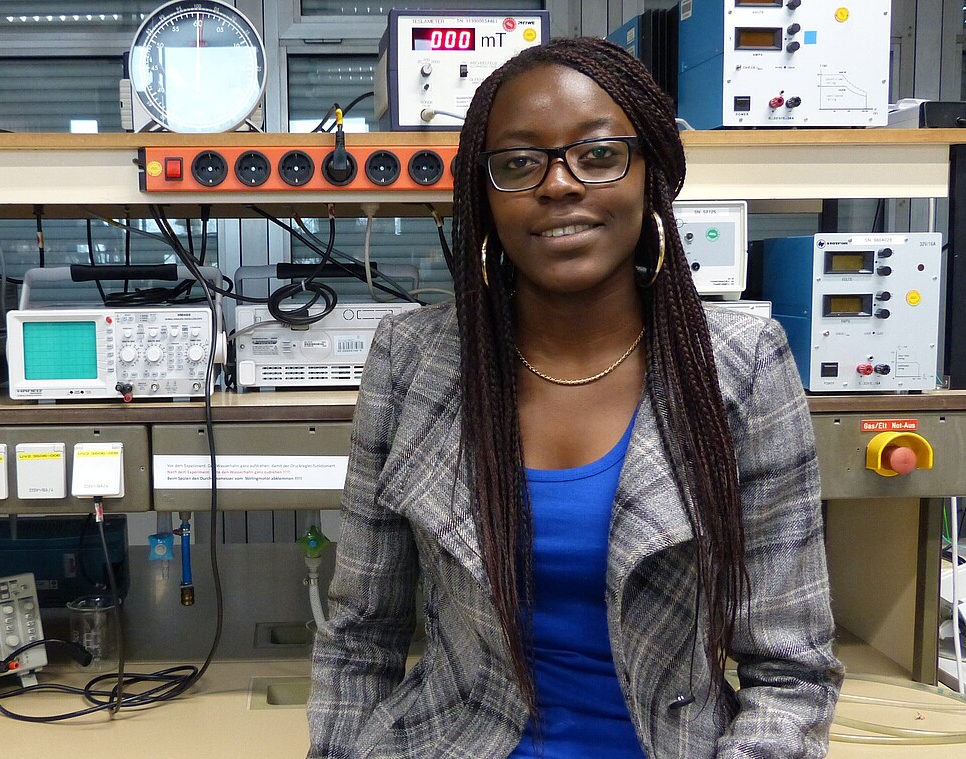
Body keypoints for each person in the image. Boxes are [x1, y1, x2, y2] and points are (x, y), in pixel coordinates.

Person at [307, 36, 843, 759]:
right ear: (485, 198)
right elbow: (360, 637)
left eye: (597, 154)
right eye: (519, 163)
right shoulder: (414, 361)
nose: (558, 184)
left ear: (650, 173)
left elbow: (792, 670)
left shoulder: (742, 367)